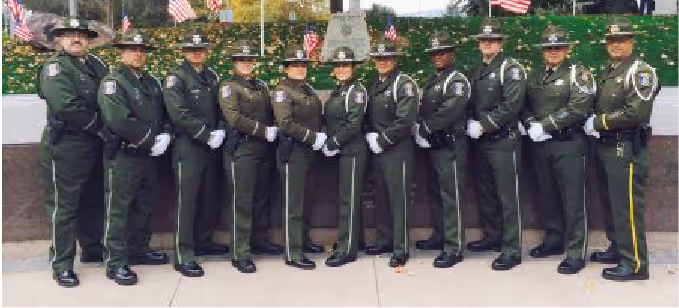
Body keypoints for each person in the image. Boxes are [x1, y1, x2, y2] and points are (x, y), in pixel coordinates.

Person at [585, 18, 658, 281]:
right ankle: (618, 248)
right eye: (612, 41)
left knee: (627, 207)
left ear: (631, 42)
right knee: (613, 204)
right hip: (608, 146)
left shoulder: (641, 72)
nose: (616, 45)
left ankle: (636, 263)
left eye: (621, 40)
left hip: (626, 147)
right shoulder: (611, 69)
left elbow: (635, 113)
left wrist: (596, 122)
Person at [37, 17, 108, 288]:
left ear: (89, 39)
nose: (75, 38)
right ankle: (62, 264)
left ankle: (92, 248)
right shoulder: (56, 68)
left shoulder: (96, 65)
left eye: (80, 34)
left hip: (93, 144)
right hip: (66, 145)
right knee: (64, 207)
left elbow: (108, 97)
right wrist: (101, 127)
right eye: (68, 34)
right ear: (59, 39)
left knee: (92, 199)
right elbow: (66, 106)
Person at [98, 31, 171, 285]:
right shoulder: (114, 82)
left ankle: (139, 250)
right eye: (132, 49)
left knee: (144, 204)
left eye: (142, 50)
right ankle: (115, 261)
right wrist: (152, 140)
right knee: (118, 209)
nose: (138, 53)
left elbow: (163, 113)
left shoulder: (150, 82)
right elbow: (119, 120)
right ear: (122, 52)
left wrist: (166, 135)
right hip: (125, 155)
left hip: (148, 157)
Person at [523, 26, 594, 274]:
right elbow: (524, 103)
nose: (553, 52)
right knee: (548, 195)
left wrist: (545, 125)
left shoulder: (579, 74)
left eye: (558, 47)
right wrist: (530, 123)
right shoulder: (534, 75)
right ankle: (554, 241)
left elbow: (579, 107)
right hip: (541, 145)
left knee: (574, 200)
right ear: (543, 51)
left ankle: (576, 252)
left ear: (567, 49)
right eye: (549, 48)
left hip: (569, 144)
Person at [163, 30, 226, 278]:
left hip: (211, 147)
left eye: (200, 49)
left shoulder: (212, 76)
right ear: (183, 51)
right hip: (189, 147)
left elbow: (222, 108)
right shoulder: (175, 78)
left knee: (209, 198)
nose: (196, 52)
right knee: (187, 202)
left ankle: (203, 240)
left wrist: (219, 130)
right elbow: (178, 114)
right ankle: (183, 254)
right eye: (191, 49)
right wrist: (205, 134)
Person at [466, 19, 526, 271]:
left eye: (491, 40)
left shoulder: (510, 68)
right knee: (487, 193)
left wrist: (485, 124)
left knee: (507, 196)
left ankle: (511, 249)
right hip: (482, 143)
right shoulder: (477, 70)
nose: (487, 43)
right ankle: (492, 237)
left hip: (503, 141)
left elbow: (512, 105)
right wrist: (469, 121)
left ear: (500, 43)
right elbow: (470, 101)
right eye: (483, 40)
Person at [219, 40, 283, 274]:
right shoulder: (228, 86)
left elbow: (271, 112)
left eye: (249, 60)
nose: (246, 63)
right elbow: (233, 118)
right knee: (242, 201)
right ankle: (240, 251)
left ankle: (259, 240)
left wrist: (275, 128)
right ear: (234, 63)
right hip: (242, 150)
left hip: (263, 150)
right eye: (241, 60)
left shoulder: (261, 86)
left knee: (261, 199)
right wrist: (263, 131)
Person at [413, 32, 471, 268]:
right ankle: (440, 235)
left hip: (450, 146)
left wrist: (423, 128)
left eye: (443, 52)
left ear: (451, 54)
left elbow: (450, 111)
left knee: (452, 197)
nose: (438, 56)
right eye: (434, 53)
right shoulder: (434, 79)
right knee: (436, 194)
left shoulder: (456, 80)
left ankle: (454, 246)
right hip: (435, 145)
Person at [363, 36, 418, 267]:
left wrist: (383, 139)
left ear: (395, 59)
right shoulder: (374, 84)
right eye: (378, 58)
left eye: (386, 58)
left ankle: (400, 247)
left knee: (398, 199)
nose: (382, 62)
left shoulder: (403, 84)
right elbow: (365, 114)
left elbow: (405, 120)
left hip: (397, 150)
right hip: (378, 150)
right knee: (382, 198)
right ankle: (384, 240)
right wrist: (369, 134)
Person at [271, 45, 326, 270]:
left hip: (309, 152)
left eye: (303, 65)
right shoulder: (282, 91)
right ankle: (293, 252)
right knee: (293, 204)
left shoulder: (308, 90)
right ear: (286, 69)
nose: (300, 69)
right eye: (295, 65)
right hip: (292, 152)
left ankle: (303, 241)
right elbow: (285, 123)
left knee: (306, 200)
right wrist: (313, 137)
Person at [320, 46, 368, 267]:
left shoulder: (355, 91)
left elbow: (353, 125)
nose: (341, 69)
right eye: (338, 65)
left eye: (345, 65)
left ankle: (346, 250)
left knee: (348, 199)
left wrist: (333, 143)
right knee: (348, 198)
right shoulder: (340, 90)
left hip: (352, 151)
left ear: (353, 67)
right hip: (344, 151)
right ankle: (355, 242)